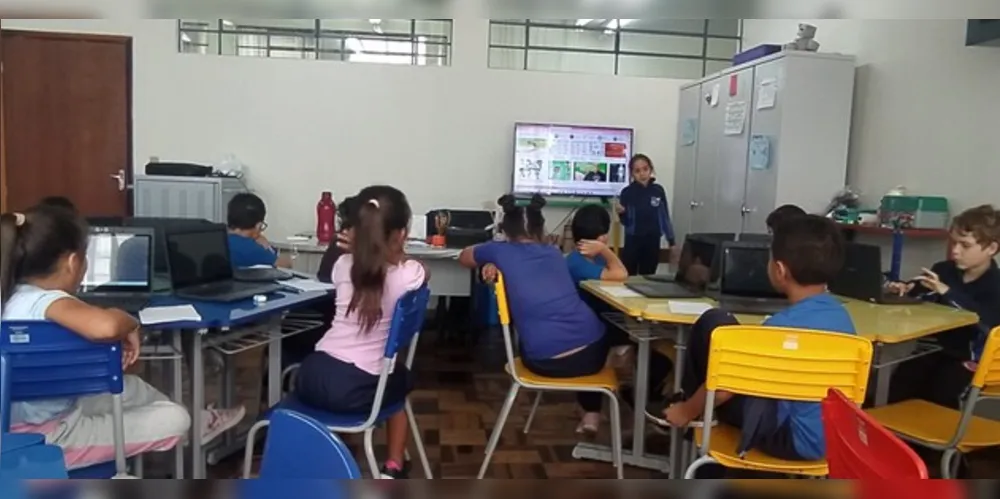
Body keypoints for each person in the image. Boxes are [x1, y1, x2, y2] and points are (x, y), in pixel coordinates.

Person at [0, 207, 245, 470]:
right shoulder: (49, 301)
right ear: (73, 262)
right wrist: (129, 322)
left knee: (133, 387)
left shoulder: (13, 294)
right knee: (177, 419)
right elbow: (106, 327)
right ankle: (186, 427)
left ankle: (191, 424)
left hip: (23, 415)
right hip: (48, 440)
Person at [658, 215, 854, 464]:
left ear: (780, 271)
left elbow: (724, 391)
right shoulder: (843, 318)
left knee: (713, 326)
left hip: (787, 439)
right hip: (834, 439)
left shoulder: (780, 329)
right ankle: (694, 411)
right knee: (722, 329)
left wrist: (687, 410)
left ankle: (687, 413)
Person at [294, 186, 429, 480]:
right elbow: (423, 274)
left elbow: (361, 267)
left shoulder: (342, 265)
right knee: (400, 382)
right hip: (358, 387)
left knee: (369, 385)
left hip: (311, 375)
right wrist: (397, 252)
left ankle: (327, 459)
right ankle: (394, 466)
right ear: (401, 234)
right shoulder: (408, 274)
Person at [460, 194, 609, 433]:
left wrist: (490, 259)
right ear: (542, 228)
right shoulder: (553, 253)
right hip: (593, 355)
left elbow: (464, 257)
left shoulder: (499, 251)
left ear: (504, 228)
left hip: (544, 360)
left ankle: (588, 412)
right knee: (597, 327)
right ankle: (591, 412)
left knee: (559, 335)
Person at [885, 205, 1000, 409]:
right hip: (934, 350)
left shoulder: (996, 285)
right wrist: (904, 288)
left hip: (970, 360)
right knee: (901, 382)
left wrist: (947, 292)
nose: (955, 251)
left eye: (965, 245)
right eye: (954, 243)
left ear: (991, 248)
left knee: (943, 391)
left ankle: (928, 439)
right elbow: (919, 290)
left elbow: (984, 320)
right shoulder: (944, 270)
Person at [565, 204, 674, 412]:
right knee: (656, 355)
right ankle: (637, 399)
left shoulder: (594, 258)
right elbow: (621, 274)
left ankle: (640, 396)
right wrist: (606, 251)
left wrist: (604, 253)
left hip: (606, 319)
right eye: (604, 235)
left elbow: (619, 272)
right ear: (602, 237)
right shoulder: (577, 262)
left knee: (659, 349)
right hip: (592, 327)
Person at [616, 154, 676, 276]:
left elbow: (664, 216)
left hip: (653, 240)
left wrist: (671, 241)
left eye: (645, 169)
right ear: (632, 173)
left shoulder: (658, 190)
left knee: (649, 274)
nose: (642, 174)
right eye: (637, 171)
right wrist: (622, 213)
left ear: (650, 170)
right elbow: (626, 222)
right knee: (629, 274)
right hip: (633, 240)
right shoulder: (627, 193)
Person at [226, 193, 292, 269]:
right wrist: (267, 247)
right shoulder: (252, 248)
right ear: (258, 226)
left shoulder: (219, 240)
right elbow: (286, 265)